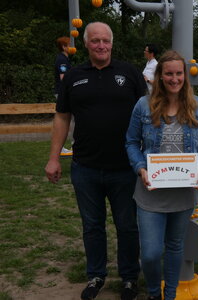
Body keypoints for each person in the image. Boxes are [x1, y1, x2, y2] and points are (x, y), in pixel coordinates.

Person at [45, 22, 147, 300]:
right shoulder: (74, 76)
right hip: (85, 167)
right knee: (92, 226)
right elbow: (62, 117)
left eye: (105, 41)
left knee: (127, 226)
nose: (101, 45)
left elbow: (149, 114)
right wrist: (54, 158)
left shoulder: (129, 73)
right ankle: (96, 275)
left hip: (125, 167)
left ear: (112, 44)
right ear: (86, 44)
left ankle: (128, 278)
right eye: (95, 41)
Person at [125, 50, 198, 300]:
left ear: (185, 76)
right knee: (151, 253)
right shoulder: (143, 105)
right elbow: (131, 142)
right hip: (150, 190)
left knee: (175, 247)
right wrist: (140, 168)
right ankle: (155, 293)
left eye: (178, 74)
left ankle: (170, 295)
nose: (174, 79)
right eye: (169, 74)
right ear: (160, 76)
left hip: (183, 192)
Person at [54, 36, 73, 155]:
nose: (71, 47)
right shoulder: (62, 60)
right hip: (63, 93)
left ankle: (61, 148)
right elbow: (63, 78)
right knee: (65, 120)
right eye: (69, 45)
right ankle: (71, 146)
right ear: (64, 47)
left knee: (67, 120)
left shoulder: (64, 59)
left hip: (63, 93)